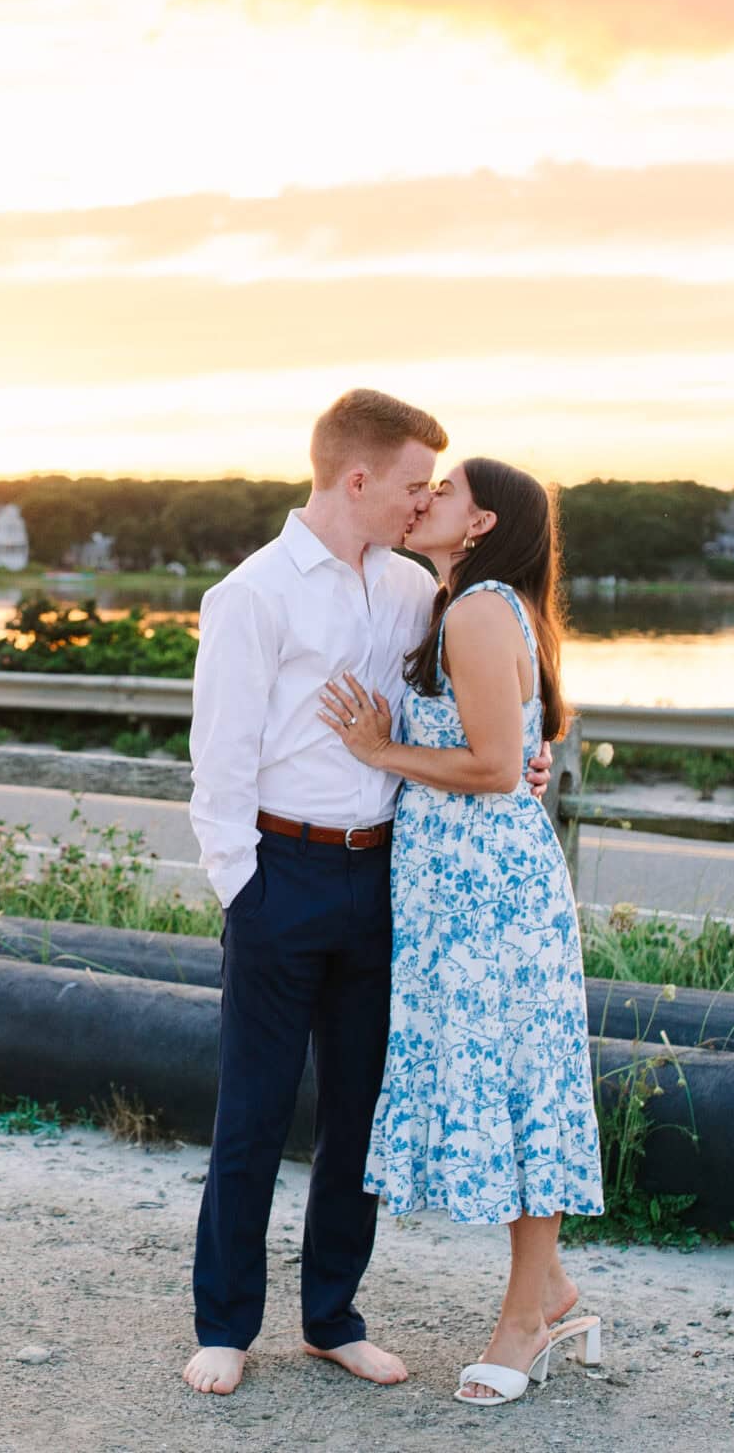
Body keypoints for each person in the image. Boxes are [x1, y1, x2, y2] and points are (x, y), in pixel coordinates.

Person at [180, 390, 552, 1399]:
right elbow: (217, 765)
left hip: (388, 876)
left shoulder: (409, 592)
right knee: (251, 1112)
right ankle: (225, 1324)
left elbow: (492, 693)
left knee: (359, 1117)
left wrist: (528, 757)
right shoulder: (251, 594)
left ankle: (331, 1318)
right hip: (281, 873)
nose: (420, 499)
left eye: (435, 487)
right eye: (409, 484)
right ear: (356, 480)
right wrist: (243, 889)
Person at [317, 455, 607, 1406]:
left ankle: (526, 1320)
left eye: (446, 492)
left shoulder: (480, 611)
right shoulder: (471, 605)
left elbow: (490, 765)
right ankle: (553, 1292)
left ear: (481, 524)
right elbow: (519, 746)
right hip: (463, 893)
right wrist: (517, 760)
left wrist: (377, 751)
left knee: (524, 1087)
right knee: (513, 1083)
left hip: (490, 896)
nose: (428, 498)